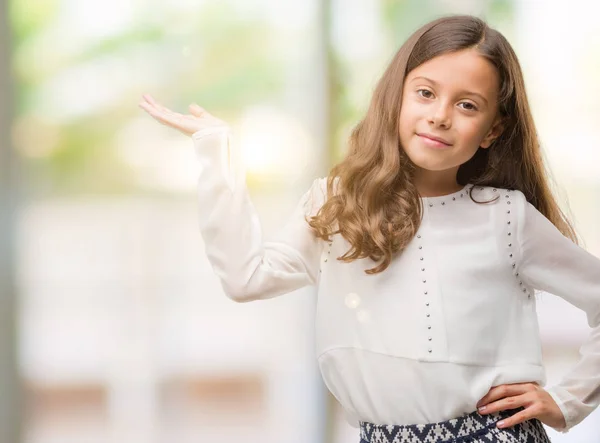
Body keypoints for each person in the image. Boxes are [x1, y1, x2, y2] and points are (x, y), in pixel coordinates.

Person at [139, 14, 600, 443]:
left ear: (492, 130)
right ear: (395, 96)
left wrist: (568, 400)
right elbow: (244, 278)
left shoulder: (506, 216)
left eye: (466, 104)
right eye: (425, 93)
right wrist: (215, 152)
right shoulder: (336, 204)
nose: (440, 114)